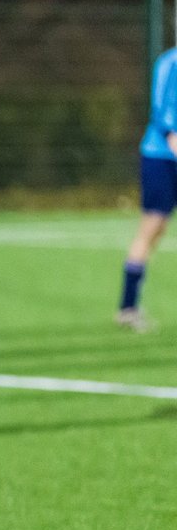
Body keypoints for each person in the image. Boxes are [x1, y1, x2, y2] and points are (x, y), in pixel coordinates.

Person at [116, 46, 177, 333]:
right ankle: (128, 307)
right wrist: (172, 138)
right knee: (152, 227)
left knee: (159, 229)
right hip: (160, 157)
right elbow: (164, 114)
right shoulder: (169, 62)